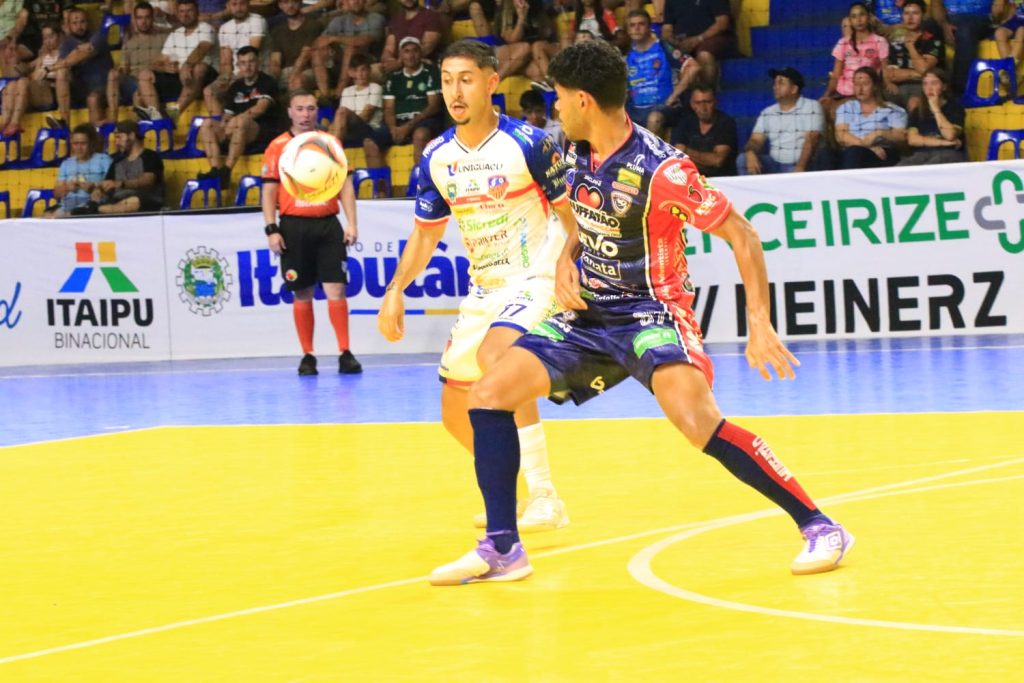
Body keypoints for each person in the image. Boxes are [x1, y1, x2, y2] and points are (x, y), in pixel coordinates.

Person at [427, 39, 853, 587]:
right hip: (586, 317)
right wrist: (566, 260)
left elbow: (743, 236)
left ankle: (820, 525)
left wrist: (759, 323)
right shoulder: (572, 150)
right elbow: (579, 222)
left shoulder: (663, 169)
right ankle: (504, 547)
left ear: (583, 101)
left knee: (698, 424)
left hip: (651, 313)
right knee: (488, 394)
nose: (555, 108)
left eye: (559, 98)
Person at [378, 39, 575, 534]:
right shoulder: (436, 156)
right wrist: (396, 289)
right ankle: (514, 493)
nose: (455, 91)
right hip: (485, 288)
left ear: (491, 83)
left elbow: (572, 216)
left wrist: (570, 265)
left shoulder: (529, 143)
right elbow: (426, 235)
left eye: (465, 80)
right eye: (446, 81)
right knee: (455, 412)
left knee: (499, 360)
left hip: (536, 276)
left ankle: (545, 496)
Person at [262, 89, 362, 376]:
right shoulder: (277, 146)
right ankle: (308, 355)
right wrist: (271, 229)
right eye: (299, 109)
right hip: (293, 226)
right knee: (302, 292)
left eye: (310, 108)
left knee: (336, 288)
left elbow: (345, 186)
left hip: (328, 224)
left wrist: (352, 223)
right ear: (289, 112)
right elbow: (268, 191)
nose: (305, 114)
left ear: (317, 111)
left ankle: (345, 352)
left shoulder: (330, 143)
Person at [197, 45, 279, 186]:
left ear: (258, 62)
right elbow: (227, 115)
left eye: (251, 62)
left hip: (262, 132)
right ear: (238, 65)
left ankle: (227, 170)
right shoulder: (236, 86)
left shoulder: (267, 82)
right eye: (243, 63)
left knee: (241, 120)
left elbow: (260, 109)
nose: (247, 67)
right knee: (207, 124)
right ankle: (216, 170)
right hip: (237, 131)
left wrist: (234, 122)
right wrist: (225, 124)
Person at [624, 8, 699, 138]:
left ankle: (649, 152)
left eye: (641, 24)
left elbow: (694, 67)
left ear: (649, 27)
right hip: (636, 109)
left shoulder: (663, 47)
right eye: (632, 25)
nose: (636, 28)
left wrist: (674, 96)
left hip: (664, 107)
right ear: (628, 30)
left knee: (654, 118)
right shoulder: (627, 56)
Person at [144, 0, 218, 123]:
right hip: (180, 79)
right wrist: (164, 68)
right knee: (144, 75)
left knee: (199, 67)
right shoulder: (175, 34)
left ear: (197, 12)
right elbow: (157, 62)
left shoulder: (206, 28)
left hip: (205, 79)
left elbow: (203, 47)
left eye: (189, 11)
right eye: (182, 11)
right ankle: (157, 119)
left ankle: (173, 114)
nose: (185, 14)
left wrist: (187, 65)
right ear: (177, 14)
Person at [743, 67, 826, 175]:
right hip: (773, 164)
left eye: (781, 83)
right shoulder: (768, 112)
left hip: (801, 164)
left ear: (794, 89)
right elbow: (755, 140)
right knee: (742, 160)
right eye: (775, 83)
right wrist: (750, 153)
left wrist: (800, 167)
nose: (775, 87)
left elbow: (812, 140)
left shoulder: (811, 106)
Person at [72, 119, 165, 215]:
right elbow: (107, 183)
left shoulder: (150, 156)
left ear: (132, 136)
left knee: (133, 202)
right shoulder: (117, 161)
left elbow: (148, 180)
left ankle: (95, 210)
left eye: (119, 137)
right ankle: (99, 209)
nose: (116, 142)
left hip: (145, 200)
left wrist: (121, 184)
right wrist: (98, 189)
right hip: (117, 201)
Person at [330, 52, 389, 195]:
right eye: (356, 70)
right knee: (326, 126)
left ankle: (331, 154)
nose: (360, 74)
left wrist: (342, 124)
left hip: (368, 128)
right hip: (349, 130)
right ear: (350, 73)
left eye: (363, 69)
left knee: (341, 112)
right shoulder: (346, 91)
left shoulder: (375, 88)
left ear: (369, 71)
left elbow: (366, 116)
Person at [47, 6, 115, 128]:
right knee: (61, 73)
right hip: (81, 88)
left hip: (103, 87)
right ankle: (64, 122)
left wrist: (50, 68)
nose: (79, 26)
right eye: (75, 23)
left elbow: (82, 54)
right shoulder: (67, 44)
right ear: (69, 25)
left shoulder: (98, 37)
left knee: (92, 99)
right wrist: (64, 63)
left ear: (88, 22)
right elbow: (62, 63)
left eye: (82, 22)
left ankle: (97, 133)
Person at [822, 2, 890, 116]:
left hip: (865, 92)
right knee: (820, 109)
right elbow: (836, 74)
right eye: (854, 16)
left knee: (837, 112)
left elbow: (885, 70)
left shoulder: (879, 41)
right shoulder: (843, 42)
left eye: (862, 15)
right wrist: (827, 95)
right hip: (842, 92)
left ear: (869, 17)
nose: (858, 20)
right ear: (850, 21)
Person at [382, 36, 443, 164]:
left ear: (420, 53)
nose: (411, 55)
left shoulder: (431, 73)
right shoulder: (393, 78)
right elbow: (388, 108)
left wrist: (408, 126)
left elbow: (434, 106)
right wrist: (393, 128)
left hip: (424, 121)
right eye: (407, 51)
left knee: (420, 135)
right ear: (400, 55)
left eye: (415, 50)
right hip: (399, 123)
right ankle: (378, 178)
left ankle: (421, 176)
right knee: (369, 142)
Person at [835, 66, 908, 168]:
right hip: (852, 150)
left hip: (882, 153)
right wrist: (867, 146)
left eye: (865, 84)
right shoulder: (847, 107)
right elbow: (841, 135)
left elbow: (900, 137)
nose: (860, 89)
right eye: (856, 84)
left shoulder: (891, 109)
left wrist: (880, 133)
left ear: (875, 86)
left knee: (854, 153)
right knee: (827, 153)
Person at [204, 0, 267, 115]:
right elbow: (225, 61)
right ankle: (220, 122)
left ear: (248, 3)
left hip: (255, 71)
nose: (238, 8)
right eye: (234, 4)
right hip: (235, 75)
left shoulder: (257, 20)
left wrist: (234, 81)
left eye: (242, 3)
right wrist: (226, 78)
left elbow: (251, 55)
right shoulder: (224, 28)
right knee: (209, 91)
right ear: (228, 6)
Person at [110, 2, 169, 122]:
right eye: (140, 18)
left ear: (152, 18)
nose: (143, 21)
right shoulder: (129, 43)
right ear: (135, 20)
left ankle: (150, 125)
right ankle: (113, 121)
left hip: (154, 79)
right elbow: (124, 69)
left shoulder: (164, 36)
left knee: (138, 95)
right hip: (132, 81)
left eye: (147, 17)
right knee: (113, 75)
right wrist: (119, 71)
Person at [312, 0, 385, 96]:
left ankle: (339, 94)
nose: (356, 2)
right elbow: (318, 42)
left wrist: (334, 38)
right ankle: (325, 96)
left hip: (367, 59)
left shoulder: (376, 18)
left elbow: (364, 40)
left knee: (350, 49)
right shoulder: (339, 20)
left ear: (365, 1)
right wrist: (327, 47)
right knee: (317, 53)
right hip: (341, 61)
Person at [0, 21, 59, 137]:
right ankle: (6, 122)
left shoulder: (64, 54)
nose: (48, 41)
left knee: (23, 81)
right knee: (11, 85)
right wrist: (18, 63)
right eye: (45, 38)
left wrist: (46, 72)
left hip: (51, 91)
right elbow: (28, 69)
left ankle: (15, 122)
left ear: (59, 36)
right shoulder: (43, 57)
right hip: (37, 90)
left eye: (50, 37)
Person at [883, 0, 944, 111]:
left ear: (923, 16)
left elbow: (923, 69)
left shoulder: (932, 39)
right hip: (895, 87)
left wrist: (910, 46)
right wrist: (917, 74)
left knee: (914, 103)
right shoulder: (894, 39)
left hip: (922, 86)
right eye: (906, 13)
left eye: (915, 13)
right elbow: (889, 74)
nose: (910, 18)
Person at [897, 66, 965, 164]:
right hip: (922, 153)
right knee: (901, 167)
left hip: (948, 154)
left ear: (944, 87)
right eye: (925, 84)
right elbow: (912, 140)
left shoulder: (955, 108)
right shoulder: (917, 111)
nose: (929, 88)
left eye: (934, 83)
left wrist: (936, 109)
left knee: (932, 165)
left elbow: (950, 135)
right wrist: (944, 143)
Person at [661, 0, 735, 86]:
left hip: (711, 38)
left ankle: (707, 91)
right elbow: (667, 28)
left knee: (704, 54)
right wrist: (672, 40)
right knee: (660, 52)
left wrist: (698, 39)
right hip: (681, 41)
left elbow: (722, 23)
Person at [670, 85, 738, 176]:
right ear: (692, 104)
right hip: (691, 178)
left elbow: (717, 161)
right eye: (698, 103)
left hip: (720, 179)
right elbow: (677, 157)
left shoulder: (726, 123)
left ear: (715, 102)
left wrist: (686, 151)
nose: (703, 107)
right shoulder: (685, 123)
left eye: (708, 102)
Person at [51, 123, 112, 216]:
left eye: (83, 143)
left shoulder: (103, 160)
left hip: (92, 204)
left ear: (91, 143)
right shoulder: (66, 163)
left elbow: (113, 186)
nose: (79, 148)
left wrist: (94, 186)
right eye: (75, 144)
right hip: (68, 204)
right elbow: (56, 195)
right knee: (48, 217)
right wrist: (67, 188)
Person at [266, 0, 325, 94]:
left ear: (300, 3)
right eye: (286, 2)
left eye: (294, 2)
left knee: (297, 81)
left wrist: (292, 76)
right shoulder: (277, 30)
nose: (290, 6)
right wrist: (273, 74)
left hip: (307, 69)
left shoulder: (313, 25)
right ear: (280, 5)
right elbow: (276, 59)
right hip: (285, 71)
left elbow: (305, 55)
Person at [380, 0, 443, 73]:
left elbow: (426, 48)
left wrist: (400, 62)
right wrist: (389, 60)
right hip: (397, 64)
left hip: (421, 63)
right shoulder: (395, 20)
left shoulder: (431, 16)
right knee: (374, 70)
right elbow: (388, 48)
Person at [992, 0, 1024, 92]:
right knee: (999, 33)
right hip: (1015, 20)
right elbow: (1011, 8)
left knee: (1021, 31)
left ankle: (1009, 68)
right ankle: (1010, 72)